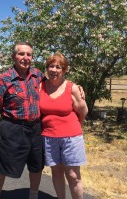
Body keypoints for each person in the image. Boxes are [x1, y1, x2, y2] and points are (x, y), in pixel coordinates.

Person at [0, 42, 45, 199]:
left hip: (36, 129)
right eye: (21, 54)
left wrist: (76, 86)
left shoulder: (38, 75)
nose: (25, 58)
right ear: (13, 57)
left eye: (29, 54)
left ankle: (33, 196)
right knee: (1, 168)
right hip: (12, 129)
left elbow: (56, 85)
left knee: (36, 166)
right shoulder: (4, 79)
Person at [39, 52, 88, 199]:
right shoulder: (40, 86)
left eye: (58, 67)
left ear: (64, 70)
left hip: (71, 137)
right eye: (50, 66)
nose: (53, 70)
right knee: (57, 173)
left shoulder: (71, 88)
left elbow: (83, 111)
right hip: (49, 137)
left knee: (73, 175)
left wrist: (77, 127)